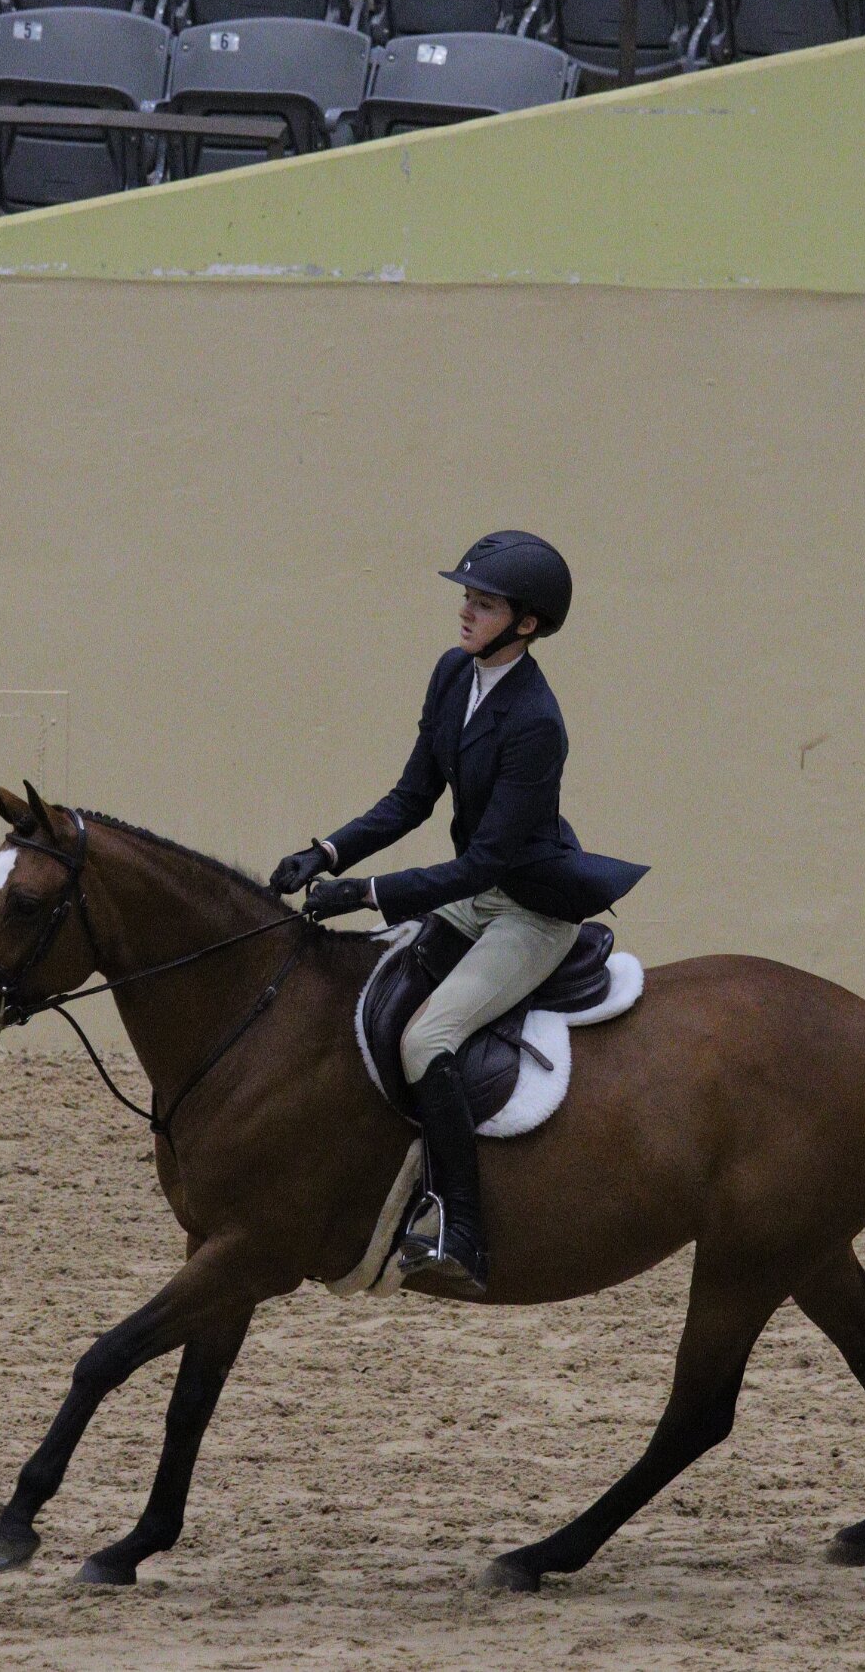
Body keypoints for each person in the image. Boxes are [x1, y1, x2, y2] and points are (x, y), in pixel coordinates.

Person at [269, 532, 647, 1295]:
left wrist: (367, 893)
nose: (465, 611)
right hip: (472, 897)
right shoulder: (453, 674)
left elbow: (485, 863)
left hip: (528, 911)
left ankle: (460, 1228)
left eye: (484, 603)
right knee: (366, 996)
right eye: (466, 598)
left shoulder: (535, 721)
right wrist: (327, 852)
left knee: (426, 1038)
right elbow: (413, 797)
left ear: (527, 624)